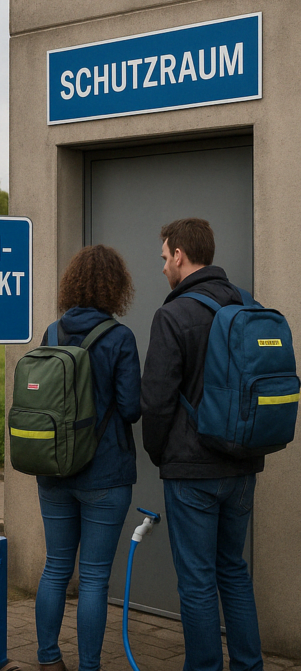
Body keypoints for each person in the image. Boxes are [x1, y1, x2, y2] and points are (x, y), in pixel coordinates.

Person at [141, 218, 264, 671]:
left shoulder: (173, 315)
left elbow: (155, 401)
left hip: (191, 472)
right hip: (243, 465)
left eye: (164, 257)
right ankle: (249, 665)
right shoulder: (247, 305)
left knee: (196, 581)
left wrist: (161, 455)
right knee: (233, 571)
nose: (162, 267)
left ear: (180, 255)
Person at [32, 245, 140, 671]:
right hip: (106, 474)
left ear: (72, 284)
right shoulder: (120, 338)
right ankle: (89, 666)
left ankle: (47, 658)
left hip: (53, 469)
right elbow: (130, 408)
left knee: (56, 568)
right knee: (94, 578)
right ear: (117, 287)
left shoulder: (51, 333)